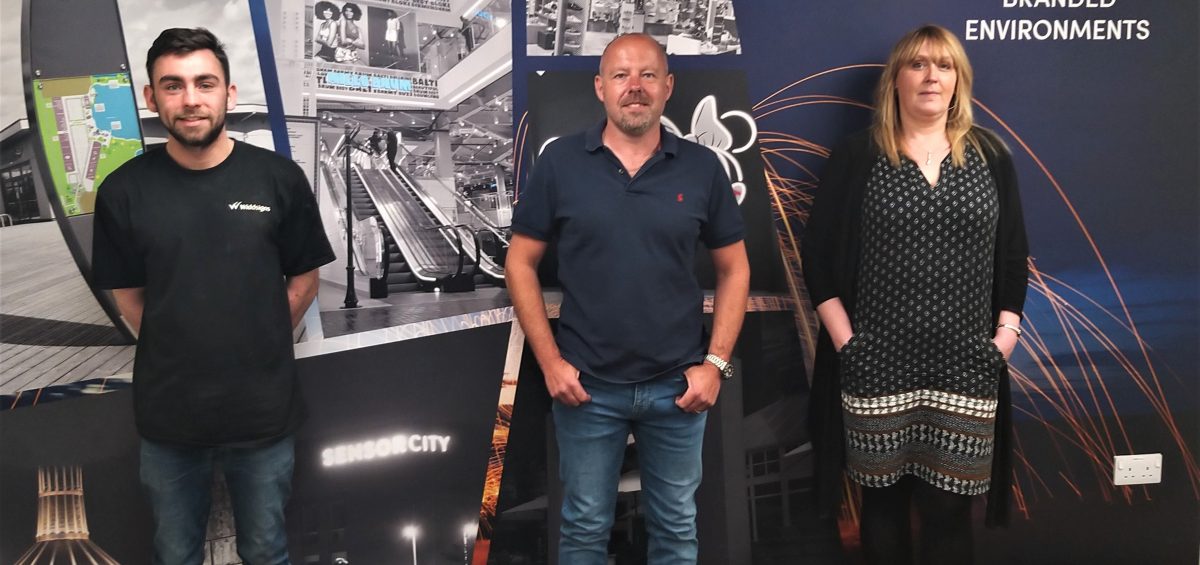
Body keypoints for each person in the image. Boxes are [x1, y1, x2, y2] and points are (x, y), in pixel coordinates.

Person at [91, 28, 335, 565]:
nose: (191, 99)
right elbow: (128, 296)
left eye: (205, 83)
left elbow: (303, 281)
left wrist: (263, 336)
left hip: (264, 415)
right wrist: (179, 344)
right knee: (176, 553)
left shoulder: (278, 179)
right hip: (169, 421)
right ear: (152, 99)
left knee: (266, 551)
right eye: (173, 86)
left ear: (229, 91)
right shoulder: (124, 192)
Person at [507, 33, 750, 564]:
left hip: (678, 388)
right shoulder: (561, 163)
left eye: (646, 75)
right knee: (585, 527)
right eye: (620, 75)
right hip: (587, 389)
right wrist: (550, 363)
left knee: (677, 530)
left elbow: (735, 269)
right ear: (599, 87)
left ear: (669, 86)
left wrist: (715, 364)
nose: (634, 87)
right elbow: (519, 264)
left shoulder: (701, 168)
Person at [802, 24, 1029, 565]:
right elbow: (817, 257)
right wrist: (848, 344)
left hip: (964, 369)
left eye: (945, 65)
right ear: (896, 80)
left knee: (949, 514)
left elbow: (1014, 254)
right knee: (882, 509)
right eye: (918, 64)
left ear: (959, 82)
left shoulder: (990, 157)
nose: (932, 76)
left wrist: (1003, 339)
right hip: (876, 366)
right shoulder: (859, 156)